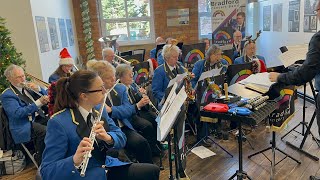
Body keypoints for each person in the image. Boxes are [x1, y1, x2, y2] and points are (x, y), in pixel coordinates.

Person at [40, 70, 160, 180]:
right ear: (84, 96)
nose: (105, 91)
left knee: (151, 171)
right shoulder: (58, 122)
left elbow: (121, 137)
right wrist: (74, 160)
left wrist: (108, 138)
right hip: (84, 175)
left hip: (106, 166)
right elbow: (47, 171)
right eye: (100, 89)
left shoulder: (99, 109)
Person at [270, 3, 320, 179]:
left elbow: (306, 73)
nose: (316, 14)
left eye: (317, 11)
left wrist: (279, 77)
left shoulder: (318, 38)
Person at [86, 60, 154, 164]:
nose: (114, 79)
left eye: (113, 75)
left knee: (142, 142)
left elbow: (128, 110)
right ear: (99, 81)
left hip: (123, 126)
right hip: (108, 132)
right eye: (109, 78)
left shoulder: (120, 88)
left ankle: (149, 168)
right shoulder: (94, 98)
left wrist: (112, 110)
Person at [1, 64, 49, 164]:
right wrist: (38, 102)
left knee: (58, 124)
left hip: (39, 118)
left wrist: (39, 89)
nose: (23, 79)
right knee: (44, 131)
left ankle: (56, 154)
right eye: (19, 77)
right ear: (10, 79)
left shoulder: (27, 87)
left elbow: (48, 96)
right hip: (24, 124)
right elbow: (18, 113)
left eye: (23, 75)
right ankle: (42, 160)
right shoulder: (7, 95)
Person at [116, 64, 160, 155]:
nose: (132, 76)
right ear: (121, 77)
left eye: (132, 73)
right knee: (147, 125)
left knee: (154, 117)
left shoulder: (131, 85)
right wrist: (139, 104)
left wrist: (142, 95)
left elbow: (137, 100)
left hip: (137, 111)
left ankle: (156, 143)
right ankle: (151, 150)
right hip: (130, 117)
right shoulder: (119, 90)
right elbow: (127, 108)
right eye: (129, 75)